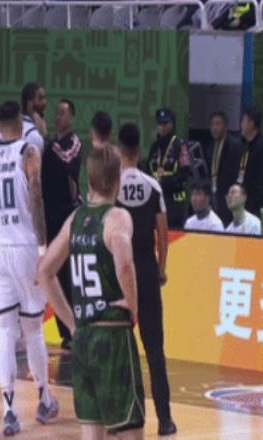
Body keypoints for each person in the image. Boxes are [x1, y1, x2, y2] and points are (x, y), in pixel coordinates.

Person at [38, 146, 145, 440]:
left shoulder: (75, 219)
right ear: (117, 180)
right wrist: (133, 305)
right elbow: (124, 263)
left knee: (92, 432)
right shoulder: (117, 217)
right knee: (130, 430)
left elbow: (44, 271)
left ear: (89, 179)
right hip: (112, 336)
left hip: (83, 339)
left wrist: (71, 323)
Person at [0, 101, 58, 436]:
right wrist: (42, 247)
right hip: (24, 247)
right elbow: (36, 198)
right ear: (21, 124)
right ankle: (44, 400)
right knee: (33, 329)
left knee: (6, 334)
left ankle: (9, 411)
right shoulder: (29, 151)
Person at [116, 123, 177, 436]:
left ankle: (124, 417)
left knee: (120, 350)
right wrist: (161, 268)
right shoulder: (153, 186)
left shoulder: (112, 186)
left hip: (121, 273)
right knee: (154, 351)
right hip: (147, 269)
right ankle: (165, 420)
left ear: (119, 150)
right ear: (139, 151)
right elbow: (163, 233)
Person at [42, 99, 82, 350]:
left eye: (63, 113)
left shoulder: (73, 143)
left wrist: (48, 144)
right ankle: (65, 332)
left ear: (72, 118)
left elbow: (68, 162)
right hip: (49, 216)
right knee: (53, 274)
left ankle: (75, 328)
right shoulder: (48, 146)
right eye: (56, 113)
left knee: (69, 274)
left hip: (68, 216)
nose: (58, 117)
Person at [147, 107, 191, 228]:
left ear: (172, 124)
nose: (162, 127)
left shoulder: (180, 145)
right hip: (156, 201)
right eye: (160, 124)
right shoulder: (154, 147)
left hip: (174, 202)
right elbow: (148, 171)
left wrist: (164, 181)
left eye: (165, 123)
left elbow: (185, 173)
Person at [205, 111, 243, 226]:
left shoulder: (235, 145)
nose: (214, 128)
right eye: (212, 124)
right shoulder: (211, 148)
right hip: (215, 194)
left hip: (230, 194)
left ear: (225, 126)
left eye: (218, 124)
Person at [238, 106, 263, 218]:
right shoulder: (245, 144)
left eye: (243, 121)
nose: (241, 125)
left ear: (251, 124)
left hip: (256, 205)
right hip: (243, 200)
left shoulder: (262, 147)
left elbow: (262, 179)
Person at [20, 82, 47, 151]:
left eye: (44, 98)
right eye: (40, 98)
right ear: (29, 103)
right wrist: (42, 136)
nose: (44, 102)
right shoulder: (32, 135)